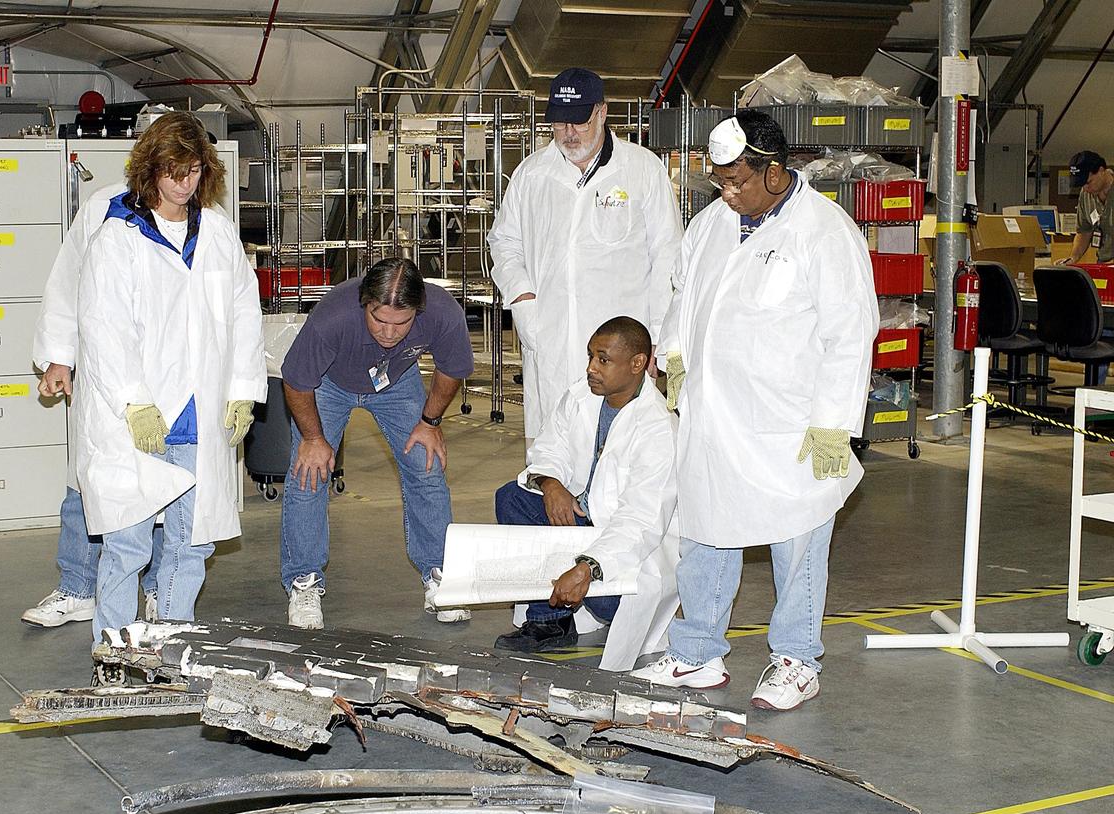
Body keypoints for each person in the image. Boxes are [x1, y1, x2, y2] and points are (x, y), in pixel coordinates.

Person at [632, 111, 878, 711]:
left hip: (791, 424)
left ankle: (796, 659)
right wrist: (676, 359)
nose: (728, 192)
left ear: (774, 171)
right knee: (706, 534)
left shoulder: (824, 232)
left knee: (798, 536)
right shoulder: (710, 224)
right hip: (714, 417)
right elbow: (682, 302)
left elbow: (850, 333)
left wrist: (834, 425)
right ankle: (696, 654)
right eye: (719, 180)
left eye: (737, 180)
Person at [73, 112, 266, 656]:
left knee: (191, 543)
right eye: (173, 171)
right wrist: (133, 402)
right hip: (135, 417)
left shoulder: (219, 233)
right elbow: (103, 328)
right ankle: (113, 651)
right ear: (150, 170)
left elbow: (243, 312)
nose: (184, 183)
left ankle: (173, 644)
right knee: (128, 545)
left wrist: (244, 387)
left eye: (194, 170)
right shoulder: (118, 238)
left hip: (198, 412)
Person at [486, 67, 681, 443]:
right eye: (559, 124)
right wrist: (524, 298)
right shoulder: (532, 174)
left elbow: (668, 257)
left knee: (622, 451)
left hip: (622, 346)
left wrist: (659, 337)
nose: (569, 134)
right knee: (554, 450)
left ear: (602, 112)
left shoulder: (641, 170)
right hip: (551, 336)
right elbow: (504, 242)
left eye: (578, 122)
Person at [279, 257, 475, 629]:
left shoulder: (444, 314)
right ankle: (304, 582)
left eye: (401, 324)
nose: (388, 333)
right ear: (363, 302)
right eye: (378, 320)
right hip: (327, 384)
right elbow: (296, 381)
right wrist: (313, 438)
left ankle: (439, 574)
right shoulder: (333, 315)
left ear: (419, 311)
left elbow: (452, 368)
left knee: (426, 465)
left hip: (396, 383)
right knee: (309, 473)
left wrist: (430, 422)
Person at [491, 316, 679, 672]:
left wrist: (588, 567)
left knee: (615, 598)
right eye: (591, 356)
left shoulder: (658, 429)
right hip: (581, 520)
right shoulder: (582, 396)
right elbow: (548, 450)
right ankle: (550, 622)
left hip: (626, 559)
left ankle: (584, 595)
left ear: (638, 364)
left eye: (603, 360)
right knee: (511, 498)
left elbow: (640, 522)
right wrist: (552, 485)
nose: (591, 368)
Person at [22, 183, 166, 628]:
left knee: (166, 485)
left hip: (169, 373)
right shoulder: (105, 205)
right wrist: (59, 356)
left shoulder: (203, 216)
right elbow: (68, 283)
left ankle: (160, 588)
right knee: (85, 483)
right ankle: (79, 588)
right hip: (104, 368)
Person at [1056, 151, 1113, 265]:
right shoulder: (1086, 194)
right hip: (1103, 264)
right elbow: (1083, 231)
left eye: (1088, 182)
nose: (1086, 188)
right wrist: (1073, 258)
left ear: (1101, 171)